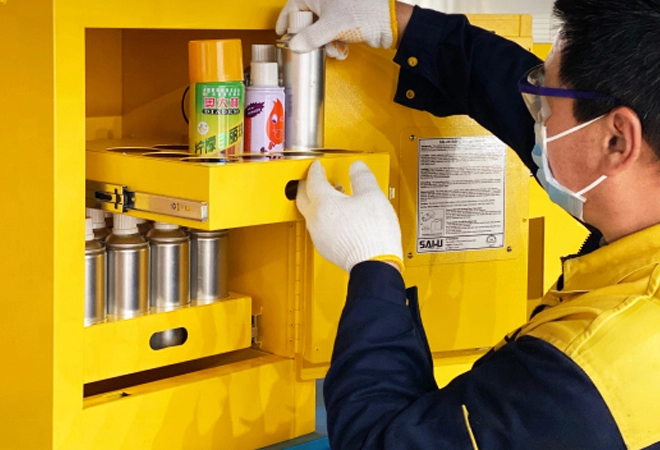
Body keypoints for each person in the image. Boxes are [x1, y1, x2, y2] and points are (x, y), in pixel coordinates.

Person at [278, 0, 660, 448]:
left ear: (618, 140)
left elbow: (379, 441)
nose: (535, 118)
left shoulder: (587, 371)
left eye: (545, 105)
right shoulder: (635, 204)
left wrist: (374, 267)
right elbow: (542, 113)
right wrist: (402, 27)